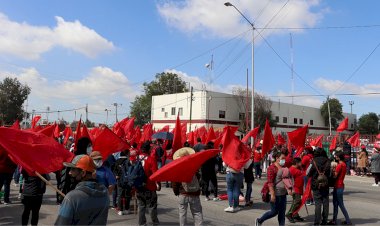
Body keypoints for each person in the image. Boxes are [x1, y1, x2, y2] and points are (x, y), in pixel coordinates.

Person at [55, 155, 109, 225]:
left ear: (83, 173)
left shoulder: (72, 197)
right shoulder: (105, 193)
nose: (70, 173)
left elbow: (61, 223)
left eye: (73, 169)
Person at [256, 151, 290, 226]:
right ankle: (260, 220)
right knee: (274, 212)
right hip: (275, 193)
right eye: (282, 158)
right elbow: (270, 182)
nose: (284, 160)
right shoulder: (272, 168)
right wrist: (272, 194)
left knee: (282, 212)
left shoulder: (284, 167)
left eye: (284, 159)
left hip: (283, 193)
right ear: (277, 158)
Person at [172, 147, 203, 226]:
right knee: (197, 213)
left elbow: (175, 182)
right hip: (194, 193)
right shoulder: (194, 165)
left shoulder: (178, 167)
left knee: (182, 214)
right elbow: (198, 177)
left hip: (183, 194)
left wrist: (176, 192)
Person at [136, 141, 161, 226]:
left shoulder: (136, 158)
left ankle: (142, 223)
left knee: (141, 206)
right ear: (148, 149)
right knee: (152, 206)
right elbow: (155, 174)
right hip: (149, 186)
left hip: (138, 186)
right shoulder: (151, 159)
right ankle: (155, 223)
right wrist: (158, 184)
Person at [307, 148, 331, 225]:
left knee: (318, 203)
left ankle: (317, 221)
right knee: (325, 203)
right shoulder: (328, 161)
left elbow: (308, 173)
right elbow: (330, 174)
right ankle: (324, 221)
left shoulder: (313, 161)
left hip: (315, 185)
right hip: (325, 184)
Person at [328, 152, 352, 225]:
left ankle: (348, 221)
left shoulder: (339, 165)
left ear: (339, 157)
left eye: (336, 156)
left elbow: (335, 176)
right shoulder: (344, 164)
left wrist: (332, 170)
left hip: (338, 186)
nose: (335, 156)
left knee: (340, 204)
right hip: (340, 185)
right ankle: (334, 220)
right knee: (336, 204)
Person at [113, 151, 132, 215]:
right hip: (127, 180)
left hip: (119, 180)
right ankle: (127, 209)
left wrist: (116, 175)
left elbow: (114, 170)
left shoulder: (117, 161)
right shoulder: (128, 161)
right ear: (126, 154)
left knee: (120, 195)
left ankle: (120, 210)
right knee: (127, 195)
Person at [286, 157, 304, 223]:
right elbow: (288, 180)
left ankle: (295, 215)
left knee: (298, 202)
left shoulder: (298, 168)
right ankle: (289, 213)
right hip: (295, 188)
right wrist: (290, 189)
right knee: (297, 201)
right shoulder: (291, 169)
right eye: (300, 162)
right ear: (296, 163)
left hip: (299, 188)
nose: (301, 163)